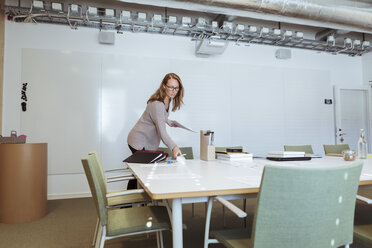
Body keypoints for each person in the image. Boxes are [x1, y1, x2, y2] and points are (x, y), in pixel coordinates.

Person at [126, 73, 184, 188]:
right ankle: (133, 203)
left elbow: (159, 116)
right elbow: (162, 133)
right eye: (171, 87)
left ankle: (136, 203)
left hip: (146, 140)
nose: (173, 91)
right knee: (140, 173)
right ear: (164, 86)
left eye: (176, 88)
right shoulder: (157, 104)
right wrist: (174, 147)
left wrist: (167, 120)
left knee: (140, 173)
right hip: (139, 140)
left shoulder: (167, 100)